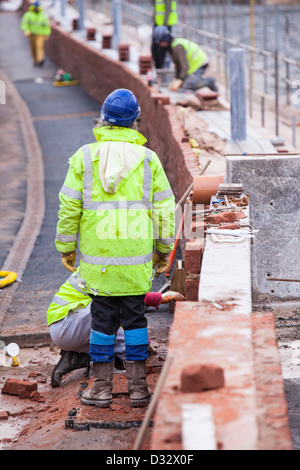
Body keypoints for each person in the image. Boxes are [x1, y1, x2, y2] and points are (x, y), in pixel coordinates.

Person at [55, 88, 175, 408]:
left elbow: (69, 207)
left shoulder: (84, 156)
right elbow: (164, 210)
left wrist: (66, 246)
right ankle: (139, 389)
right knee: (135, 321)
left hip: (99, 263)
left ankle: (101, 388)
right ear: (135, 122)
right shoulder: (148, 160)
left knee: (102, 321)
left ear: (103, 120)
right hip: (137, 263)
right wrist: (163, 251)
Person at [47, 270, 185, 387]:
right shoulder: (108, 268)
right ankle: (91, 363)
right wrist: (143, 340)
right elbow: (123, 302)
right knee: (131, 346)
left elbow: (126, 297)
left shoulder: (101, 262)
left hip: (69, 324)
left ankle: (78, 356)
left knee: (126, 345)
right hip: (69, 323)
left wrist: (157, 298)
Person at [153, 25, 218, 92]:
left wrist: (180, 80)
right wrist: (176, 79)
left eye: (161, 42)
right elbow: (179, 66)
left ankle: (209, 81)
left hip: (199, 63)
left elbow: (184, 66)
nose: (160, 44)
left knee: (188, 85)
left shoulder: (177, 47)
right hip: (193, 65)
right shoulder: (172, 46)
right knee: (183, 84)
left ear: (164, 39)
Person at [20, 1, 51, 66]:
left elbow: (46, 26)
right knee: (33, 48)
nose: (36, 9)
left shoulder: (43, 16)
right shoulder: (28, 15)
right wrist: (26, 30)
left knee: (39, 47)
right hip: (31, 34)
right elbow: (24, 24)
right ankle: (35, 60)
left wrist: (46, 34)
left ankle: (40, 60)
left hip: (40, 35)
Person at [151, 0, 178, 69]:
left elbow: (168, 9)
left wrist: (164, 26)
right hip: (158, 24)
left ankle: (162, 69)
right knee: (155, 48)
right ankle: (158, 68)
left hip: (165, 26)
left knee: (162, 49)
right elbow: (156, 6)